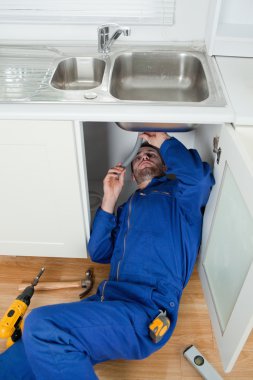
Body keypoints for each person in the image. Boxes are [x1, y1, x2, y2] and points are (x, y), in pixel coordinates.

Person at [0, 132, 214, 380]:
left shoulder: (179, 196)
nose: (144, 155)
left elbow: (199, 179)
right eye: (139, 156)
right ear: (132, 176)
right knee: (18, 356)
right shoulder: (127, 209)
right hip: (108, 302)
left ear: (165, 166)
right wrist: (110, 199)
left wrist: (163, 141)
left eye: (151, 154)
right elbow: (99, 252)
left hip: (146, 310)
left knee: (43, 326)